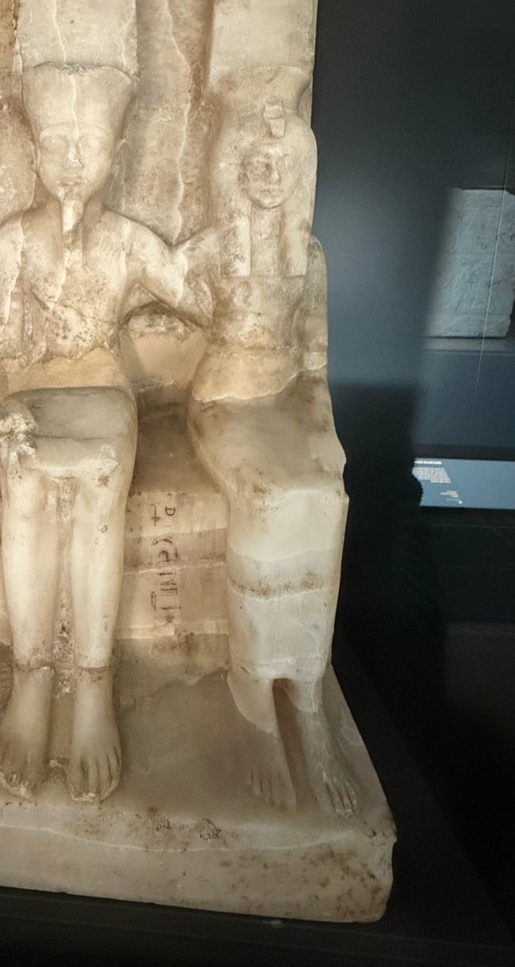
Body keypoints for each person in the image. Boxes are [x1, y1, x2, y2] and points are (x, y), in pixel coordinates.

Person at [0, 62, 192, 803]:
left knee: (101, 482)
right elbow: (8, 353)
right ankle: (31, 677)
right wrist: (13, 410)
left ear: (116, 150)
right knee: (23, 481)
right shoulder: (13, 241)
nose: (71, 161)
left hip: (102, 391)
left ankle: (94, 686)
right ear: (34, 151)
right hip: (34, 395)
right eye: (56, 143)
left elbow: (196, 293)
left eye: (88, 144)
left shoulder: (128, 242)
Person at [185, 101, 357, 815]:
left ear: (300, 174)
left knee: (325, 498)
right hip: (222, 402)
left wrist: (324, 433)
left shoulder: (307, 258)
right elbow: (148, 290)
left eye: (282, 165)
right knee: (265, 498)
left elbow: (314, 368)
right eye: (255, 162)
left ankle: (308, 696)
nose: (267, 174)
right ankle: (254, 694)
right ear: (234, 169)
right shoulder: (214, 247)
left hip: (285, 404)